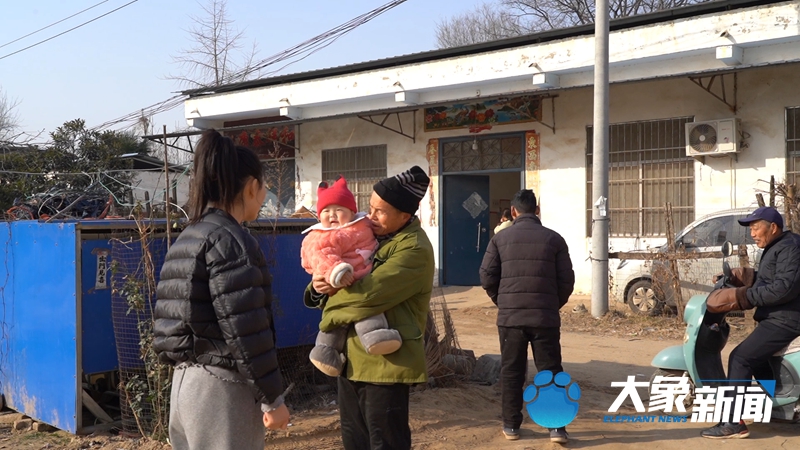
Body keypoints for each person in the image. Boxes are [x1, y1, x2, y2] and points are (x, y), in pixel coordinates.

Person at [153, 130, 290, 450]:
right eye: (264, 186)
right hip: (222, 389)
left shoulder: (190, 235)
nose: (265, 194)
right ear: (252, 186)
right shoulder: (231, 240)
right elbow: (246, 329)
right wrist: (273, 398)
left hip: (185, 386)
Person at [303, 165, 434, 450]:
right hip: (350, 361)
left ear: (405, 215)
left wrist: (329, 314)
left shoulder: (413, 249)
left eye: (380, 212)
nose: (371, 217)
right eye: (370, 208)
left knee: (386, 442)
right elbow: (334, 274)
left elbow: (366, 296)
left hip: (386, 366)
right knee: (355, 441)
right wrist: (317, 286)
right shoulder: (370, 237)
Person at [479, 189, 575, 444]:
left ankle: (511, 426)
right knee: (551, 371)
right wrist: (552, 304)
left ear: (513, 212)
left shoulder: (500, 239)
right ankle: (557, 429)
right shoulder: (555, 240)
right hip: (545, 318)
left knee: (512, 372)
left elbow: (486, 276)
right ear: (537, 211)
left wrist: (503, 302)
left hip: (511, 319)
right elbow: (567, 281)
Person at [701, 206, 800, 439]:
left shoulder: (791, 248)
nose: (752, 233)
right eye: (751, 229)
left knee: (741, 357)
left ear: (773, 227)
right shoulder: (778, 246)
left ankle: (733, 423)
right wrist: (744, 277)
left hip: (786, 319)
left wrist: (741, 297)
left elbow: (784, 288)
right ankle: (777, 404)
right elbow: (772, 277)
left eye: (756, 228)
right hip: (777, 317)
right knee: (757, 360)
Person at [300, 177, 402, 377]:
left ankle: (374, 338)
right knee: (338, 319)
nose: (332, 215)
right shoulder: (321, 235)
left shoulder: (362, 224)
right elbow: (320, 256)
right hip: (341, 281)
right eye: (326, 211)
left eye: (339, 210)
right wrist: (336, 272)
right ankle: (326, 351)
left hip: (362, 279)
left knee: (363, 312)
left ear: (352, 212)